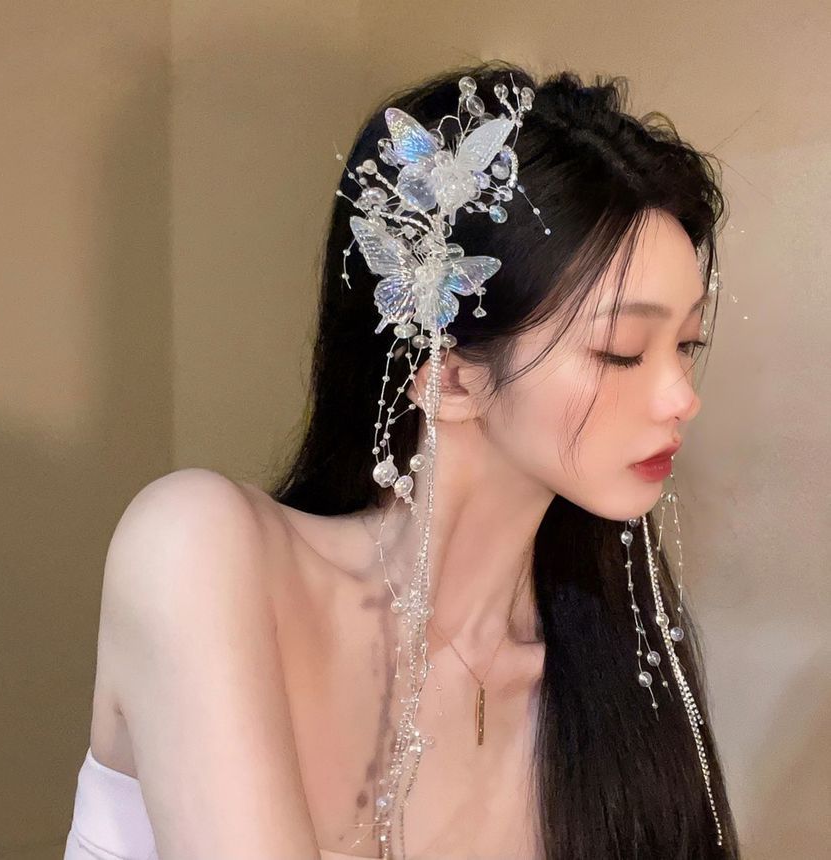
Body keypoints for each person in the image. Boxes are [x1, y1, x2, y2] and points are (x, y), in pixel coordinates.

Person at [64, 61, 742, 859]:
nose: (680, 397)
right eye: (622, 350)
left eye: (687, 344)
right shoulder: (201, 551)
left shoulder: (615, 675)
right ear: (446, 376)